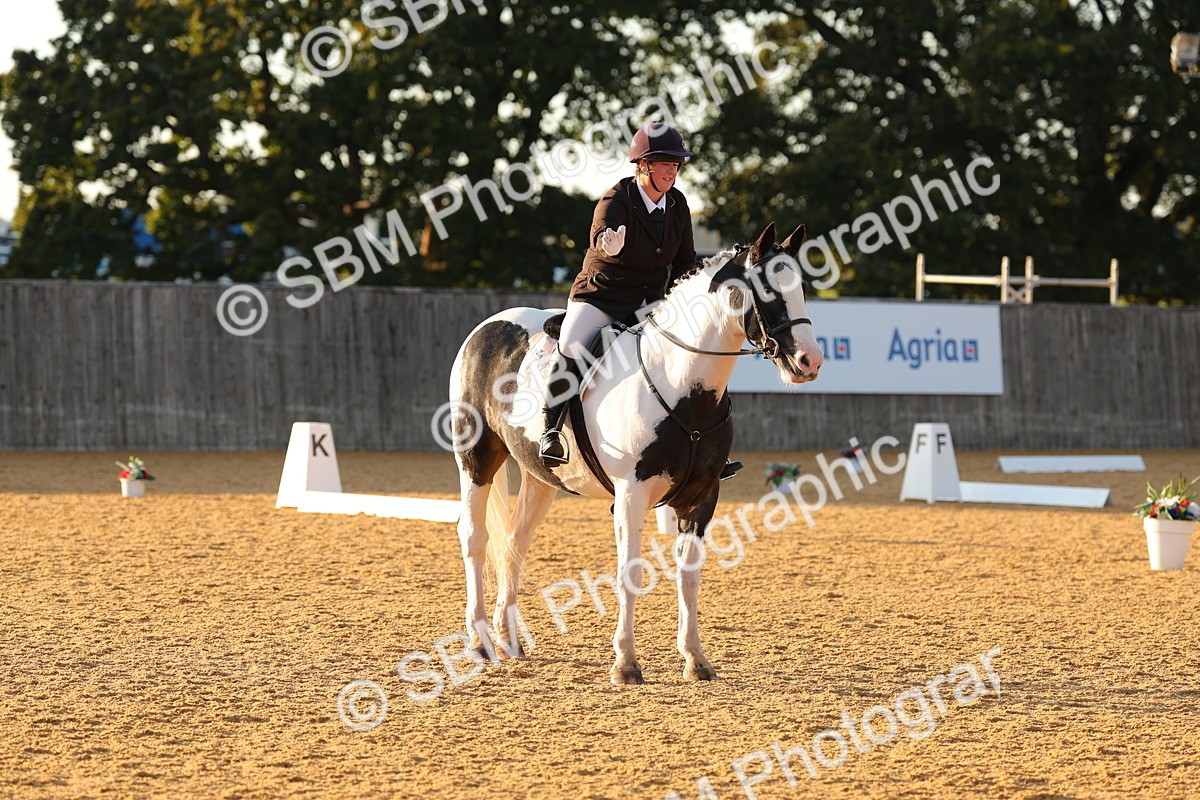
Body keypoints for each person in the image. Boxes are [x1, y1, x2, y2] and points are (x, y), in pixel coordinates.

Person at [538, 122, 742, 481]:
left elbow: (684, 264)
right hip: (603, 294)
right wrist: (607, 243)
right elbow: (601, 233)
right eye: (665, 163)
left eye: (676, 164)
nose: (672, 170)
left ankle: (706, 448)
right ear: (643, 165)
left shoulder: (678, 204)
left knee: (693, 354)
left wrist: (708, 276)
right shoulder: (616, 198)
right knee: (571, 344)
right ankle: (551, 430)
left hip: (649, 302)